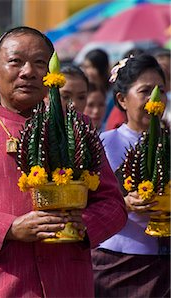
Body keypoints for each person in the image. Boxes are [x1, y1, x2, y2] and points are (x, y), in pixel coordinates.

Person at [0, 26, 127, 297]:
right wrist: (9, 228)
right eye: (16, 61)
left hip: (65, 283)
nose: (29, 71)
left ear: (51, 73)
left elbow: (113, 205)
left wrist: (84, 225)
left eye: (39, 63)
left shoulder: (75, 126)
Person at [93, 54, 169, 298]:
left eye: (161, 90)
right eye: (145, 90)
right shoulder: (104, 144)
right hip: (118, 262)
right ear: (122, 100)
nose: (155, 98)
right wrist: (123, 204)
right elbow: (86, 202)